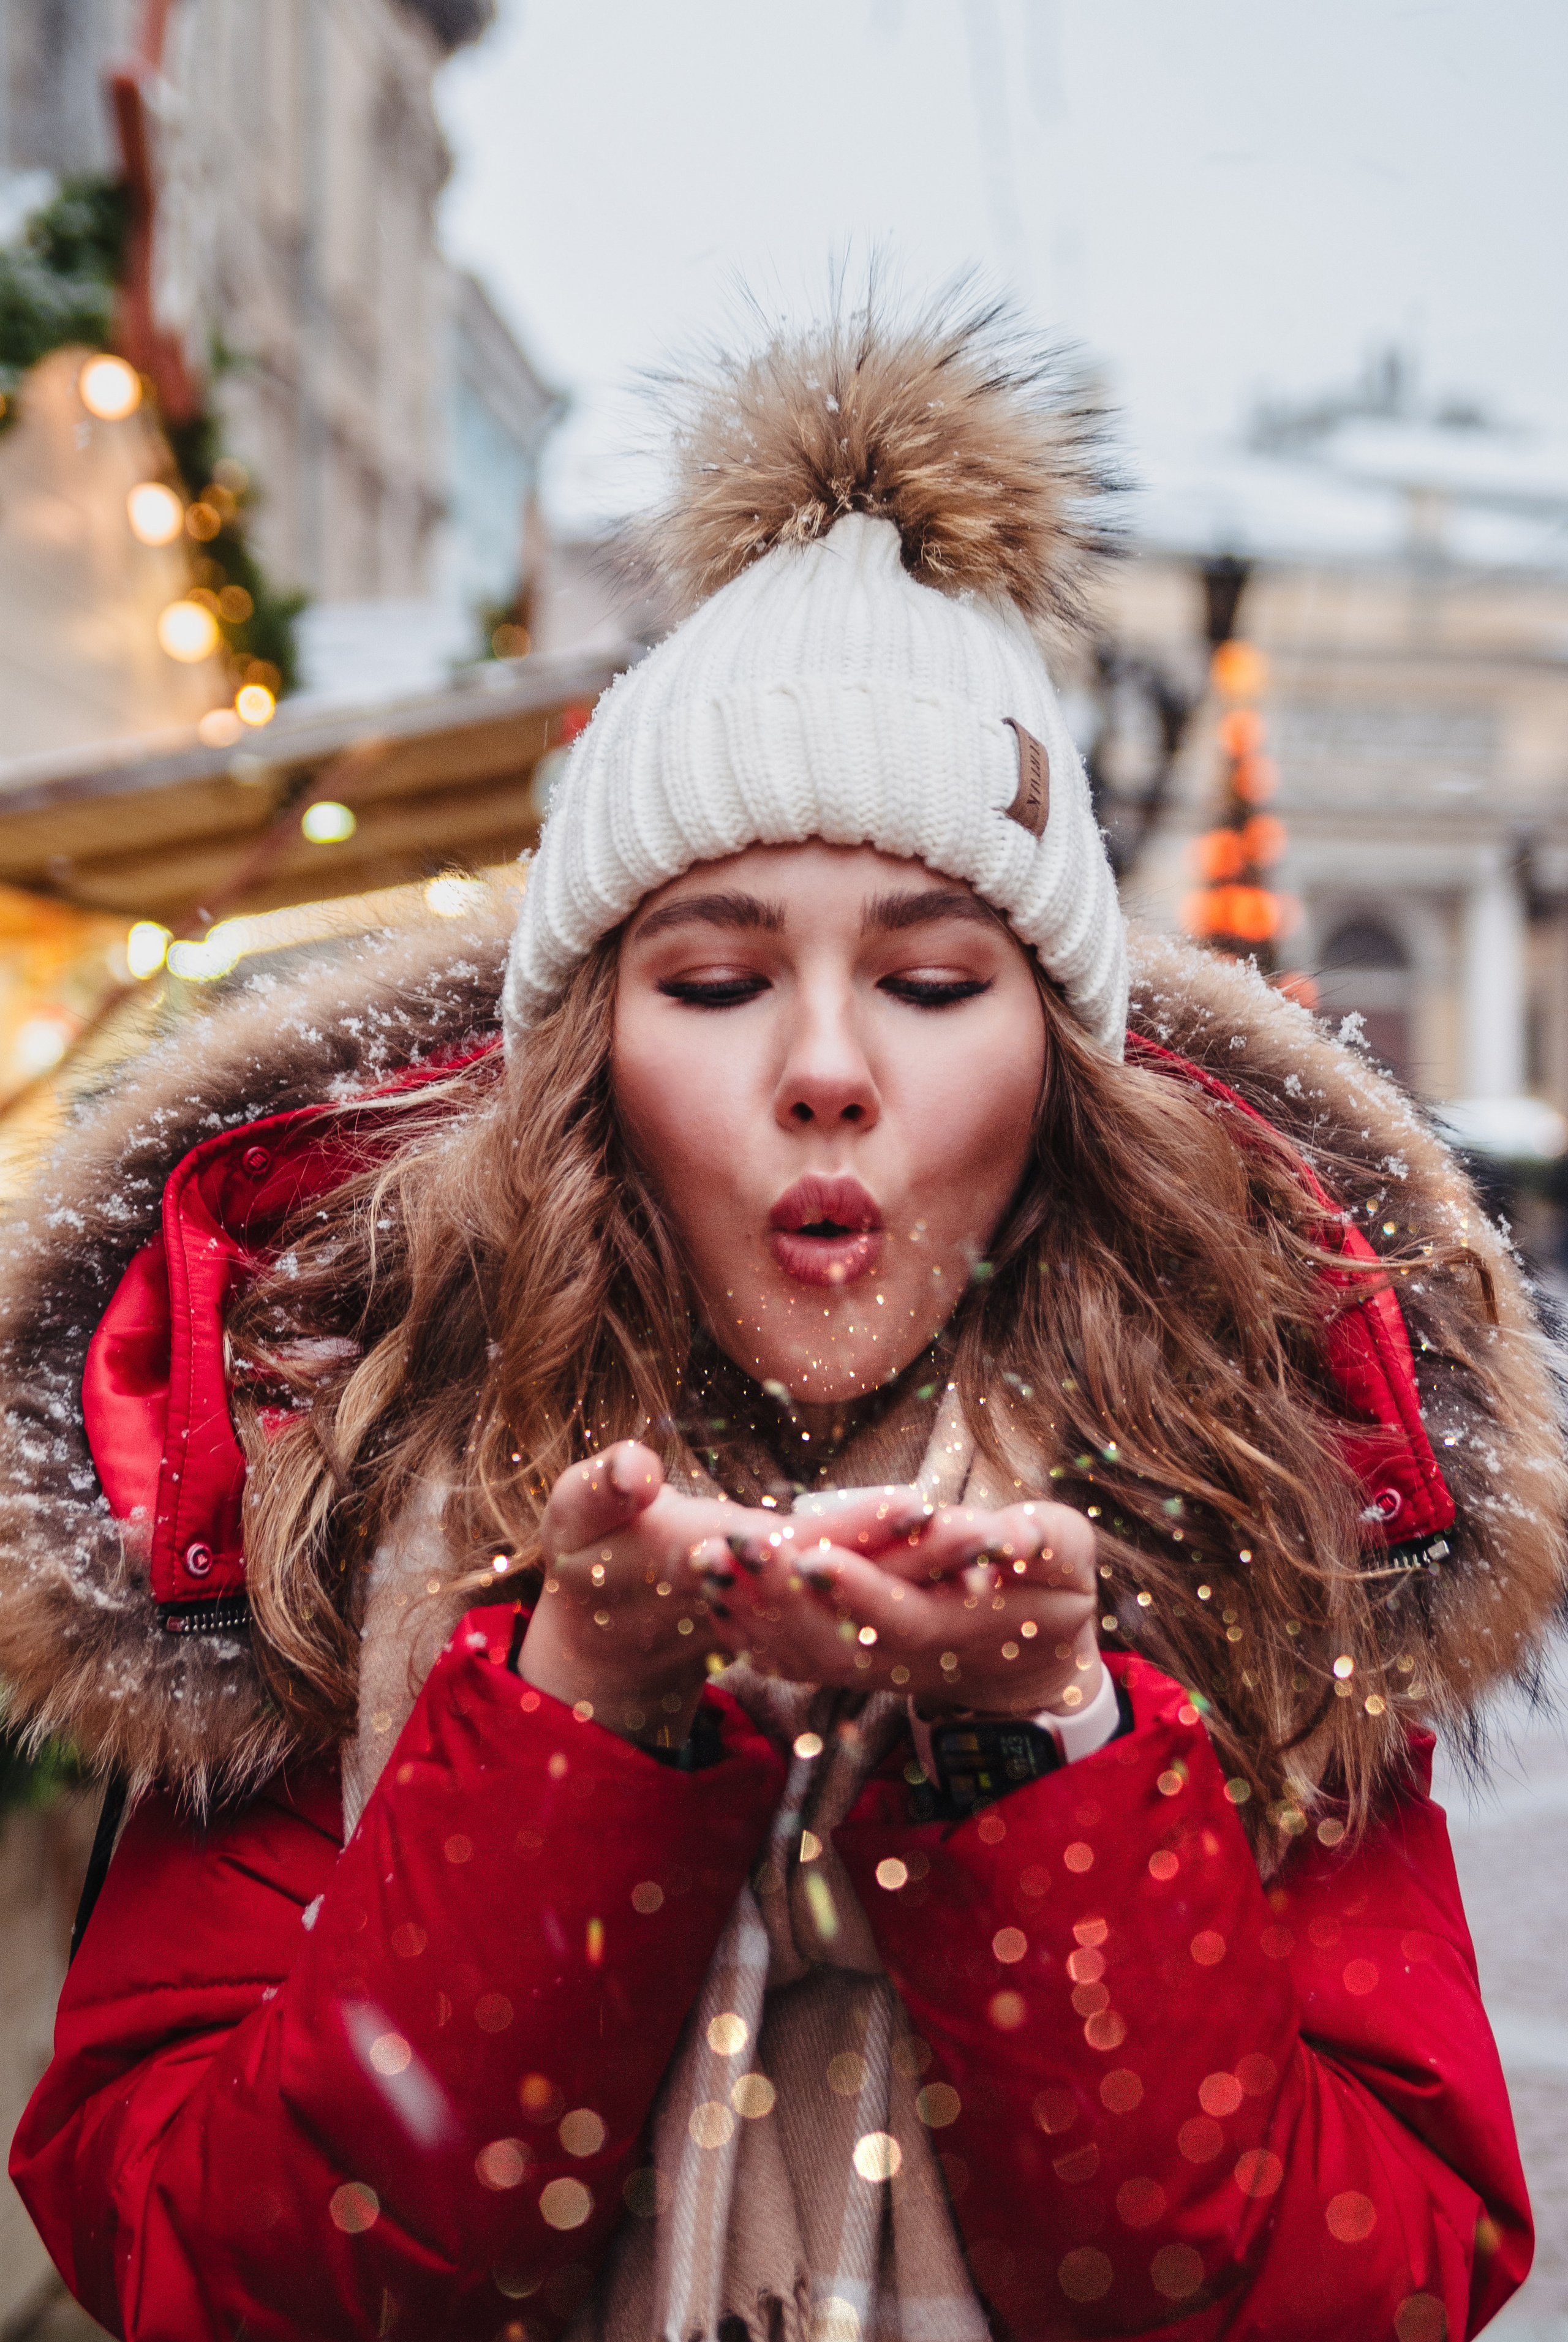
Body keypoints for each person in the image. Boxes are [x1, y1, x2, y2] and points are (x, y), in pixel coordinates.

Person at [3, 298, 1561, 2342]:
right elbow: (216, 2271)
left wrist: (1041, 1753)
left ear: (1063, 1079)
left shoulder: (1256, 1515)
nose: (826, 1069)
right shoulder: (318, 1487)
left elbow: (1356, 2286)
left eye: (930, 985)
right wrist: (576, 1718)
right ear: (586, 1065)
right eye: (718, 983)